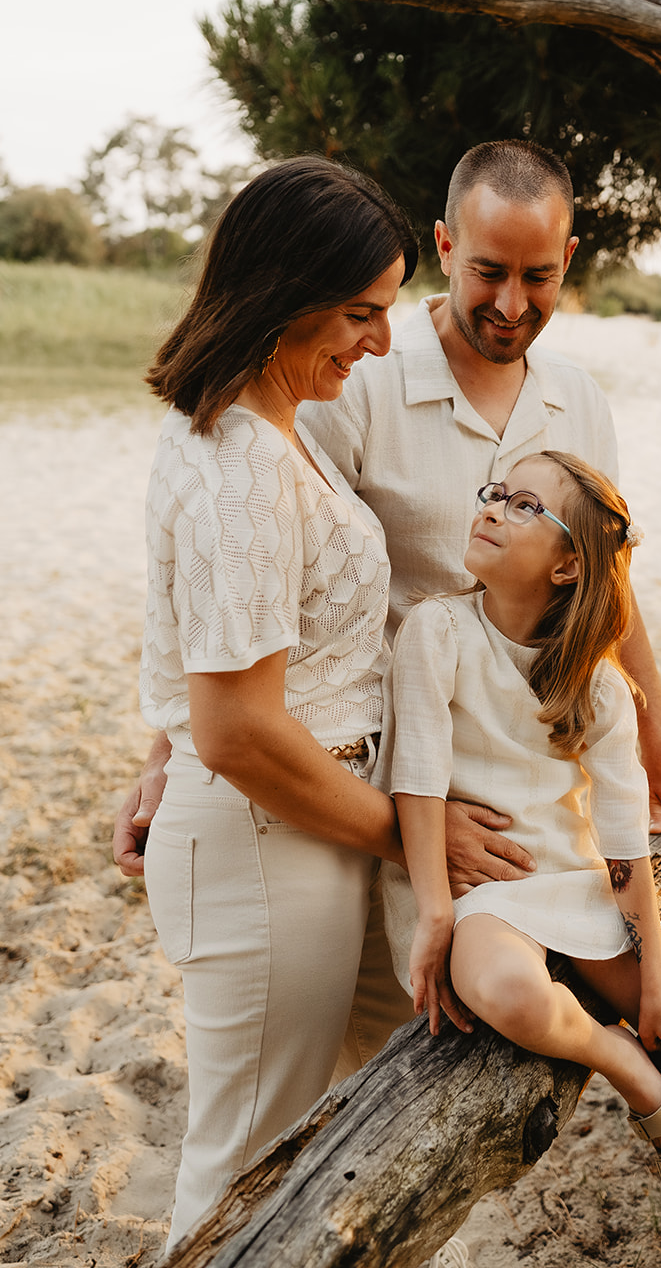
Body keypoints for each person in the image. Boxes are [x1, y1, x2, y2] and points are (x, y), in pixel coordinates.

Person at [116, 139, 661, 1059]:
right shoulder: (352, 382)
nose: (511, 304)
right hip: (382, 784)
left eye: (539, 276)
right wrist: (175, 744)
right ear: (444, 246)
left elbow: (607, 585)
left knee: (442, 1050)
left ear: (569, 260)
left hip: (520, 791)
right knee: (341, 1062)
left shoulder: (580, 404)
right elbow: (257, 581)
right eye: (486, 271)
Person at [381, 452, 661, 1268]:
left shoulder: (595, 683)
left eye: (523, 506)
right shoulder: (436, 631)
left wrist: (653, 970)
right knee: (515, 998)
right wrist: (436, 913)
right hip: (492, 889)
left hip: (580, 885)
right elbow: (414, 781)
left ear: (567, 565)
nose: (491, 509)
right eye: (494, 493)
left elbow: (624, 839)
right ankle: (616, 1056)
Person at [138, 155, 423, 1250]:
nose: (379, 341)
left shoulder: (256, 422)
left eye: (387, 312)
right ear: (281, 290)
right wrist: (403, 834)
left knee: (328, 1143)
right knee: (239, 1178)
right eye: (360, 311)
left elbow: (207, 668)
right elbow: (237, 727)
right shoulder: (243, 457)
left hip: (308, 826)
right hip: (269, 838)